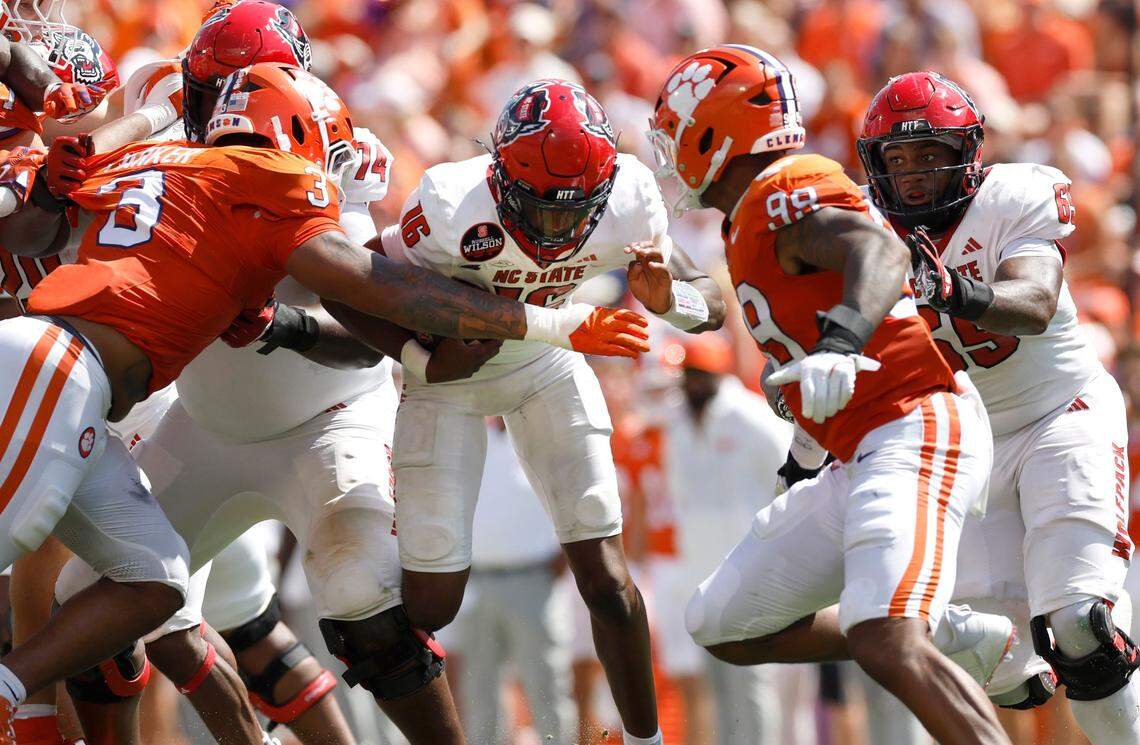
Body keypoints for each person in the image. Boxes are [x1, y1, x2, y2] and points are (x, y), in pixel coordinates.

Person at [3, 60, 648, 743]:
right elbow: (378, 287)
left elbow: (34, 232)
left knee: (173, 583)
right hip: (88, 383)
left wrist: (51, 177)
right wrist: (550, 322)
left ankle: (14, 686)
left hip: (290, 415)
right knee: (76, 591)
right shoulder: (276, 178)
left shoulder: (152, 158)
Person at [330, 78, 727, 745]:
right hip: (452, 383)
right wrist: (419, 362)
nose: (555, 229)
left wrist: (667, 302)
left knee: (606, 577)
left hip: (544, 370)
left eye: (572, 212)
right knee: (431, 603)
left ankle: (644, 740)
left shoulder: (630, 197)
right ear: (499, 176)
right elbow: (350, 286)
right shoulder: (452, 202)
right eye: (537, 208)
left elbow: (708, 301)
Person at [646, 44, 1008, 744]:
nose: (669, 153)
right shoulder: (745, 219)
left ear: (716, 132)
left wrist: (840, 344)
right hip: (859, 450)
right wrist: (798, 461)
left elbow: (881, 255)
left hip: (914, 421)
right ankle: (946, 627)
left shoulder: (788, 186)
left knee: (884, 640)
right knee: (721, 622)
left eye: (676, 131)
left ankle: (915, 624)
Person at [858, 70, 1140, 743]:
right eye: (897, 159)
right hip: (969, 448)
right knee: (1002, 668)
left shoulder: (1015, 194)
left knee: (1081, 628)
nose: (915, 175)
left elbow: (1035, 304)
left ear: (969, 152)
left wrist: (955, 292)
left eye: (930, 154)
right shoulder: (862, 233)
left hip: (1056, 416)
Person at [657, 333, 791, 745]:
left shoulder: (749, 417)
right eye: (684, 374)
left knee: (751, 681)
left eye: (694, 374)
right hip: (702, 573)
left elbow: (796, 475)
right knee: (717, 682)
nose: (687, 383)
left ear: (715, 371)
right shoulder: (677, 424)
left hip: (747, 571)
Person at [445, 417, 574, 743]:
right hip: (477, 581)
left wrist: (562, 559)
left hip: (533, 580)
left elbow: (572, 499)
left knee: (545, 685)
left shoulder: (544, 432)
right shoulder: (473, 435)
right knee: (479, 690)